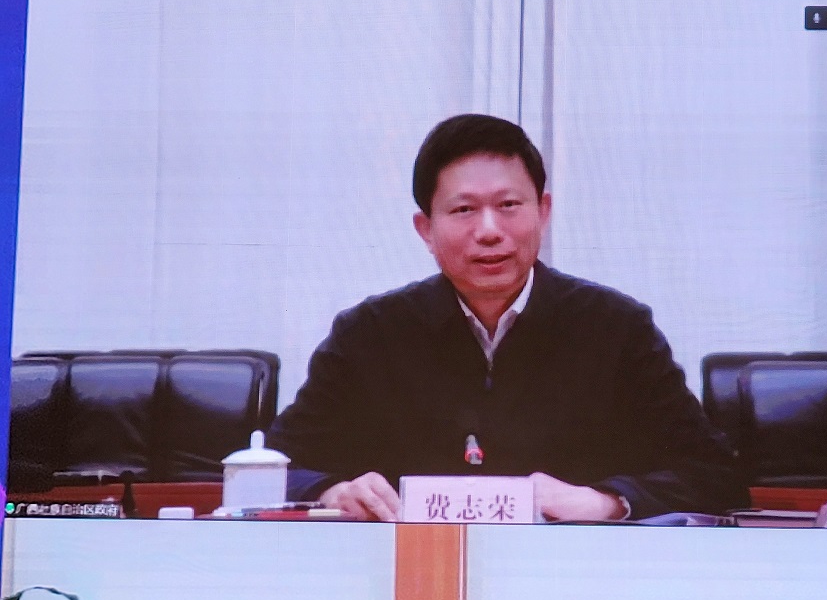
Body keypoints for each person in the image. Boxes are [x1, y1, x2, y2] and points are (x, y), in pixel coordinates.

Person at [266, 114, 748, 522]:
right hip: (413, 579)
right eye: (464, 210)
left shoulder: (617, 329)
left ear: (543, 211)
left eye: (509, 206)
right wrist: (332, 492)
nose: (489, 231)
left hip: (574, 580)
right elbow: (269, 469)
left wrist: (605, 501)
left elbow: (715, 475)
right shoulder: (369, 335)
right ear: (426, 230)